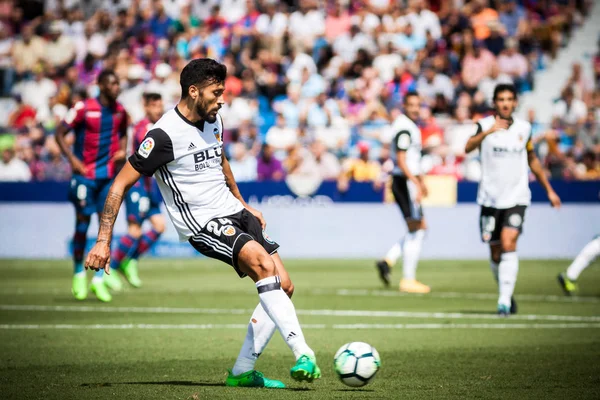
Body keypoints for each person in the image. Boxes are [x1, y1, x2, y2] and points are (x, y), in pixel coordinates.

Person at [84, 58, 320, 388]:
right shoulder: (164, 136)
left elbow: (220, 160)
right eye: (217, 92)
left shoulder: (214, 119)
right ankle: (303, 352)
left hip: (233, 211)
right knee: (264, 266)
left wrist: (243, 204)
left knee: (285, 284)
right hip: (202, 223)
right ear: (194, 91)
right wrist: (103, 240)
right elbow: (120, 184)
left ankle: (241, 371)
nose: (222, 99)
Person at [465, 84, 561, 316]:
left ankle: (504, 302)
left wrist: (548, 189)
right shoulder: (484, 125)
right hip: (489, 199)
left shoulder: (524, 129)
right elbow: (467, 147)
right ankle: (505, 292)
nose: (505, 103)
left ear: (515, 102)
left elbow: (532, 159)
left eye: (509, 99)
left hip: (517, 197)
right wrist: (487, 132)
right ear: (495, 102)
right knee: (495, 252)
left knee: (509, 243)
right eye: (501, 99)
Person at [56, 69, 128, 303]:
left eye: (118, 83)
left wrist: (122, 151)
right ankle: (78, 272)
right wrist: (73, 159)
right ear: (101, 85)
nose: (117, 87)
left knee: (105, 226)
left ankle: (98, 280)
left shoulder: (120, 111)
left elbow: (124, 130)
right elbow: (59, 133)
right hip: (85, 176)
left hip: (108, 178)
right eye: (113, 83)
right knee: (82, 223)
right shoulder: (83, 108)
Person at [104, 93, 166, 291]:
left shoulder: (160, 126)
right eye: (154, 106)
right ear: (145, 107)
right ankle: (111, 268)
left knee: (159, 226)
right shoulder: (142, 128)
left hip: (150, 186)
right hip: (137, 185)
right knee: (135, 230)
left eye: (160, 105)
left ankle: (129, 260)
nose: (158, 109)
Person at [375, 92, 430, 294]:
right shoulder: (405, 128)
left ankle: (388, 260)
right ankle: (408, 279)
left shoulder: (407, 125)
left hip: (406, 180)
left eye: (418, 104)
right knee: (418, 229)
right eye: (412, 105)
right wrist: (417, 182)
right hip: (405, 181)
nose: (416, 108)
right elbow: (401, 159)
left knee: (419, 228)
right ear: (404, 106)